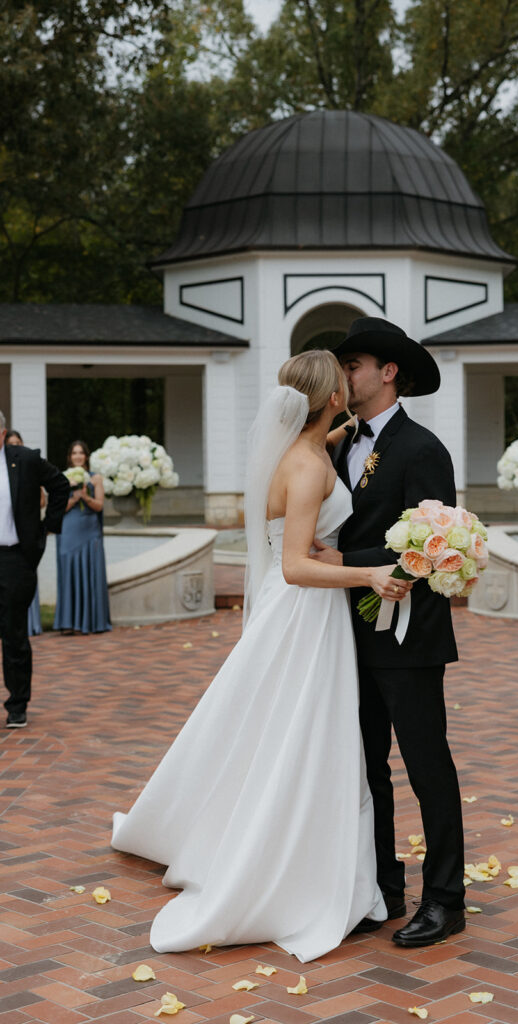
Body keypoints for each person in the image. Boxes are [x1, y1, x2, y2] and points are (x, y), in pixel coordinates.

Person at [111, 349, 412, 962]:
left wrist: (346, 431)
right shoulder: (307, 467)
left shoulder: (296, 448)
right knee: (304, 734)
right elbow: (298, 565)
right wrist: (372, 575)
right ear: (330, 396)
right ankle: (284, 862)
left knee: (271, 725)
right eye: (342, 383)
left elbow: (315, 449)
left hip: (292, 610)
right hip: (304, 613)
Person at [314, 316, 466, 948]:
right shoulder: (336, 442)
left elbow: (435, 545)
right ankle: (383, 887)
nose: (344, 376)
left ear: (388, 371)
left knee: (426, 765)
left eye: (353, 365)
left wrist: (345, 565)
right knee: (366, 764)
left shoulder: (421, 447)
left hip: (407, 636)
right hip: (344, 633)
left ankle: (446, 898)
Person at [0, 410, 69, 728]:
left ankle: (17, 705)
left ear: (2, 434)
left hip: (15, 559)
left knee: (13, 632)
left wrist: (48, 527)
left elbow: (60, 485)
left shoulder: (24, 460)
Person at [54, 441, 111, 635]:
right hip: (69, 529)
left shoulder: (96, 479)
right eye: (74, 453)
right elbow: (58, 509)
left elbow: (100, 506)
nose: (78, 456)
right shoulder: (62, 478)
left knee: (90, 571)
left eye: (81, 453)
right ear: (70, 457)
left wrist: (85, 497)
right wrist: (73, 498)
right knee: (69, 571)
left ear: (86, 456)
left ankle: (91, 621)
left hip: (89, 529)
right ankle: (68, 622)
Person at [6, 430, 43, 636]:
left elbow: (42, 500)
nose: (15, 446)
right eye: (11, 443)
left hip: (26, 537)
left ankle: (31, 624)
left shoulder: (30, 468)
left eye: (18, 442)